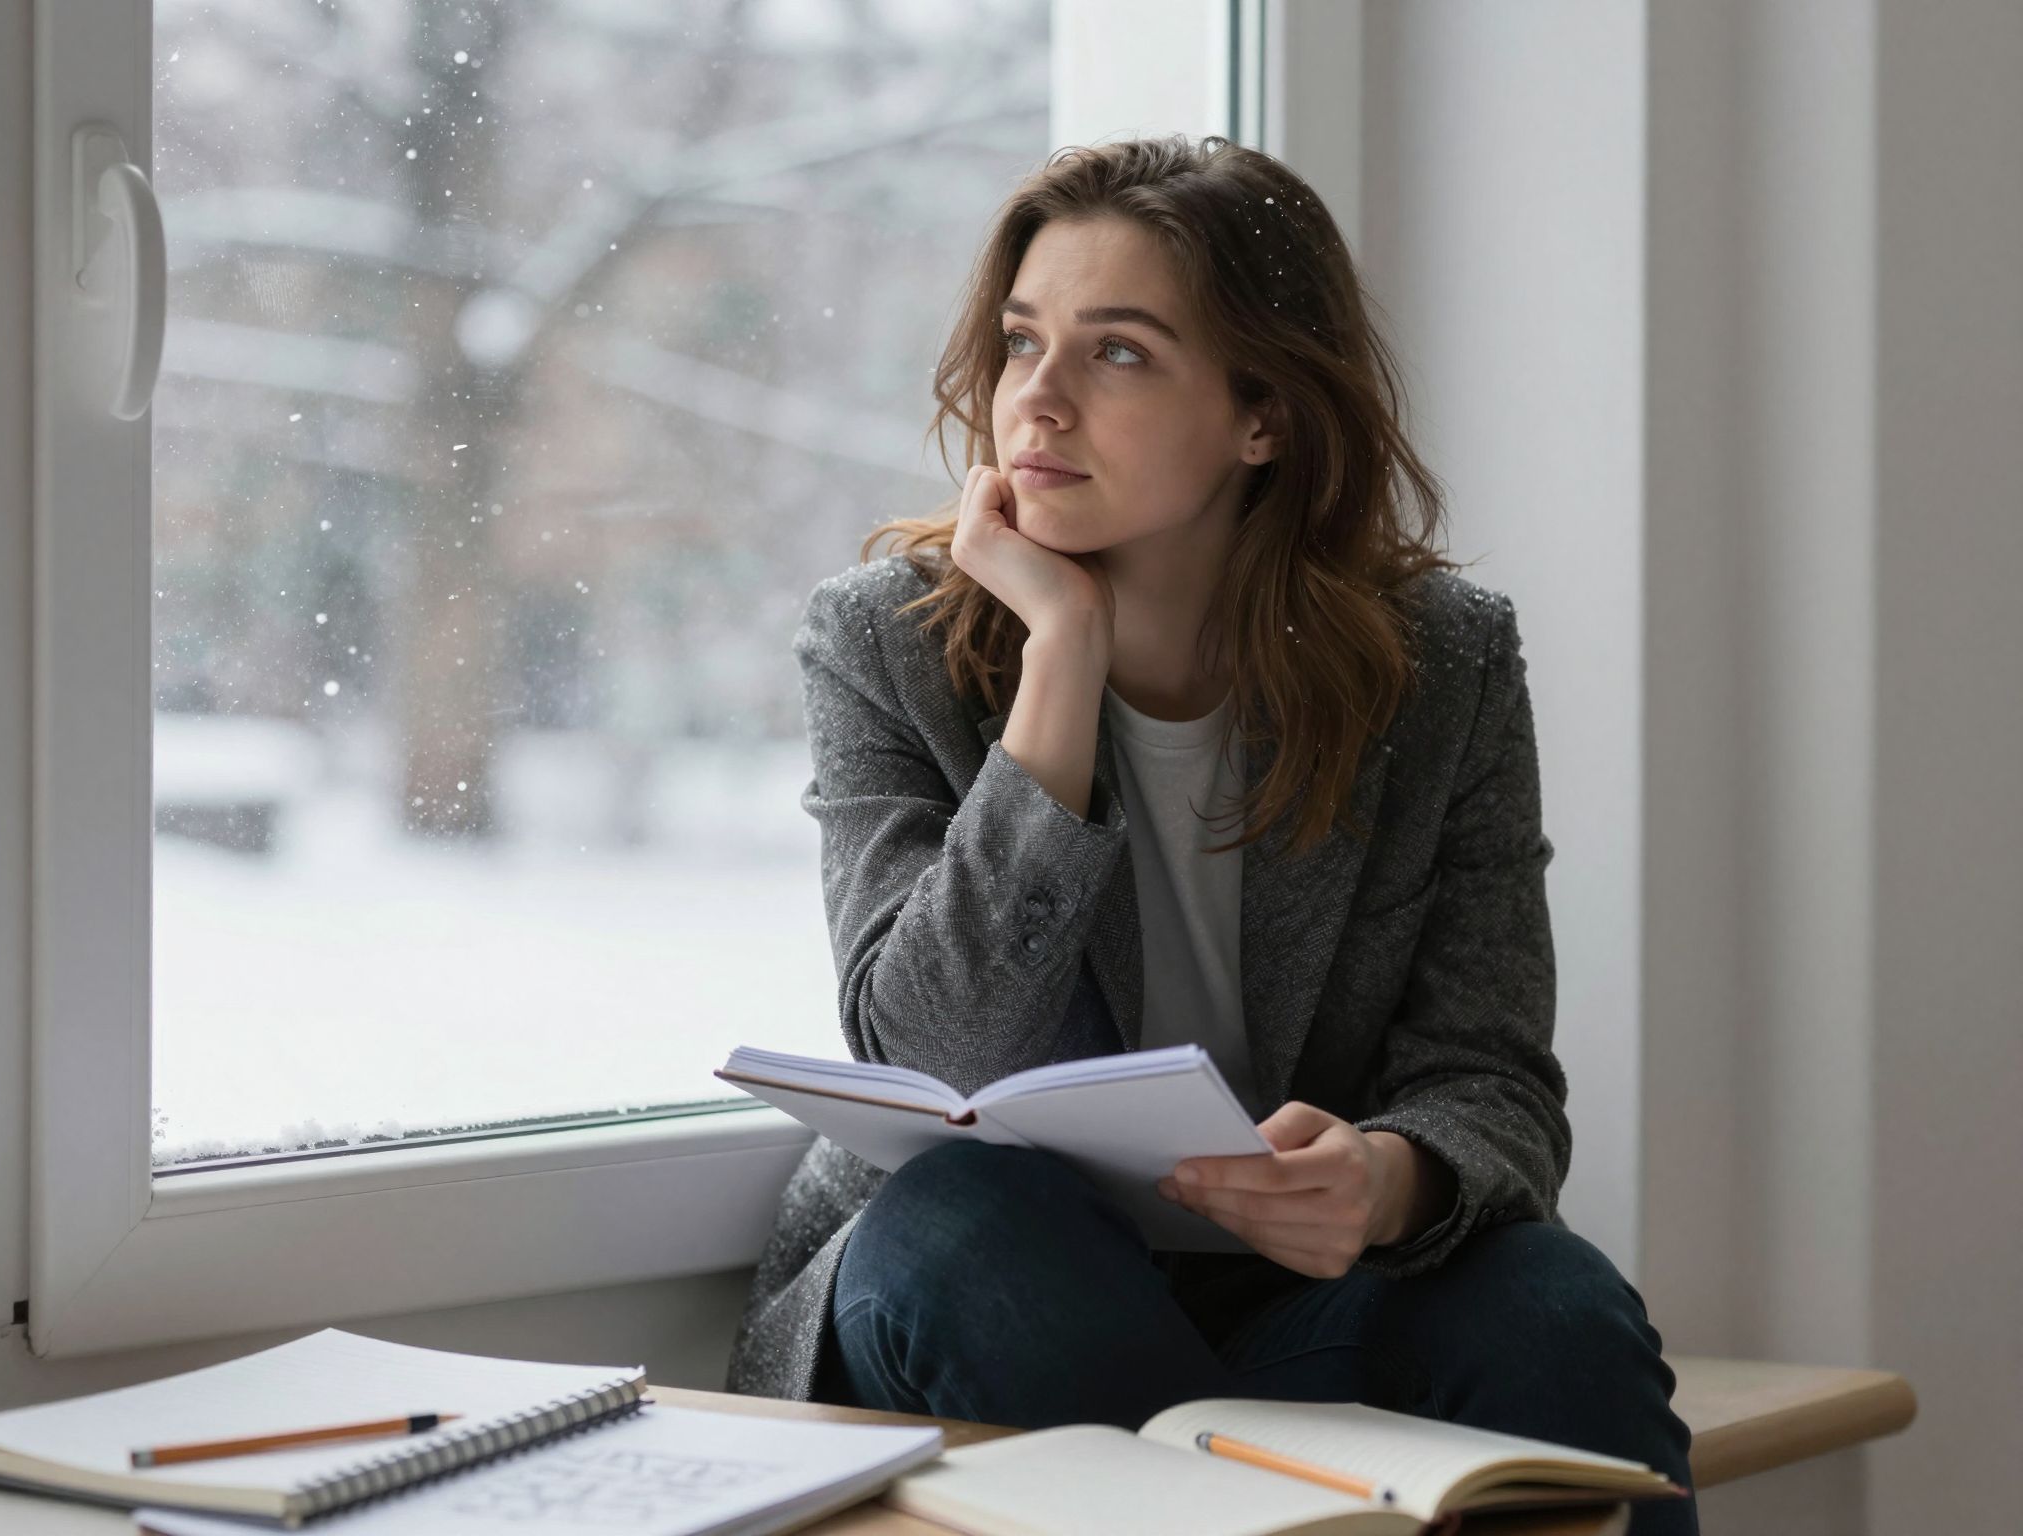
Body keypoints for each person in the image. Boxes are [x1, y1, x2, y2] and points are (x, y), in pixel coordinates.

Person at [725, 134, 1697, 1535]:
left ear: (1264, 417)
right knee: (974, 1226)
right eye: (1020, 342)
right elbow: (936, 1053)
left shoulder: (1442, 666)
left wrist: (1382, 1179)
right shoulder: (885, 643)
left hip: (1290, 1313)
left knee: (1557, 1302)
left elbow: (1490, 1080)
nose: (1037, 401)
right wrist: (1060, 657)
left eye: (1116, 353)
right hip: (985, 1301)